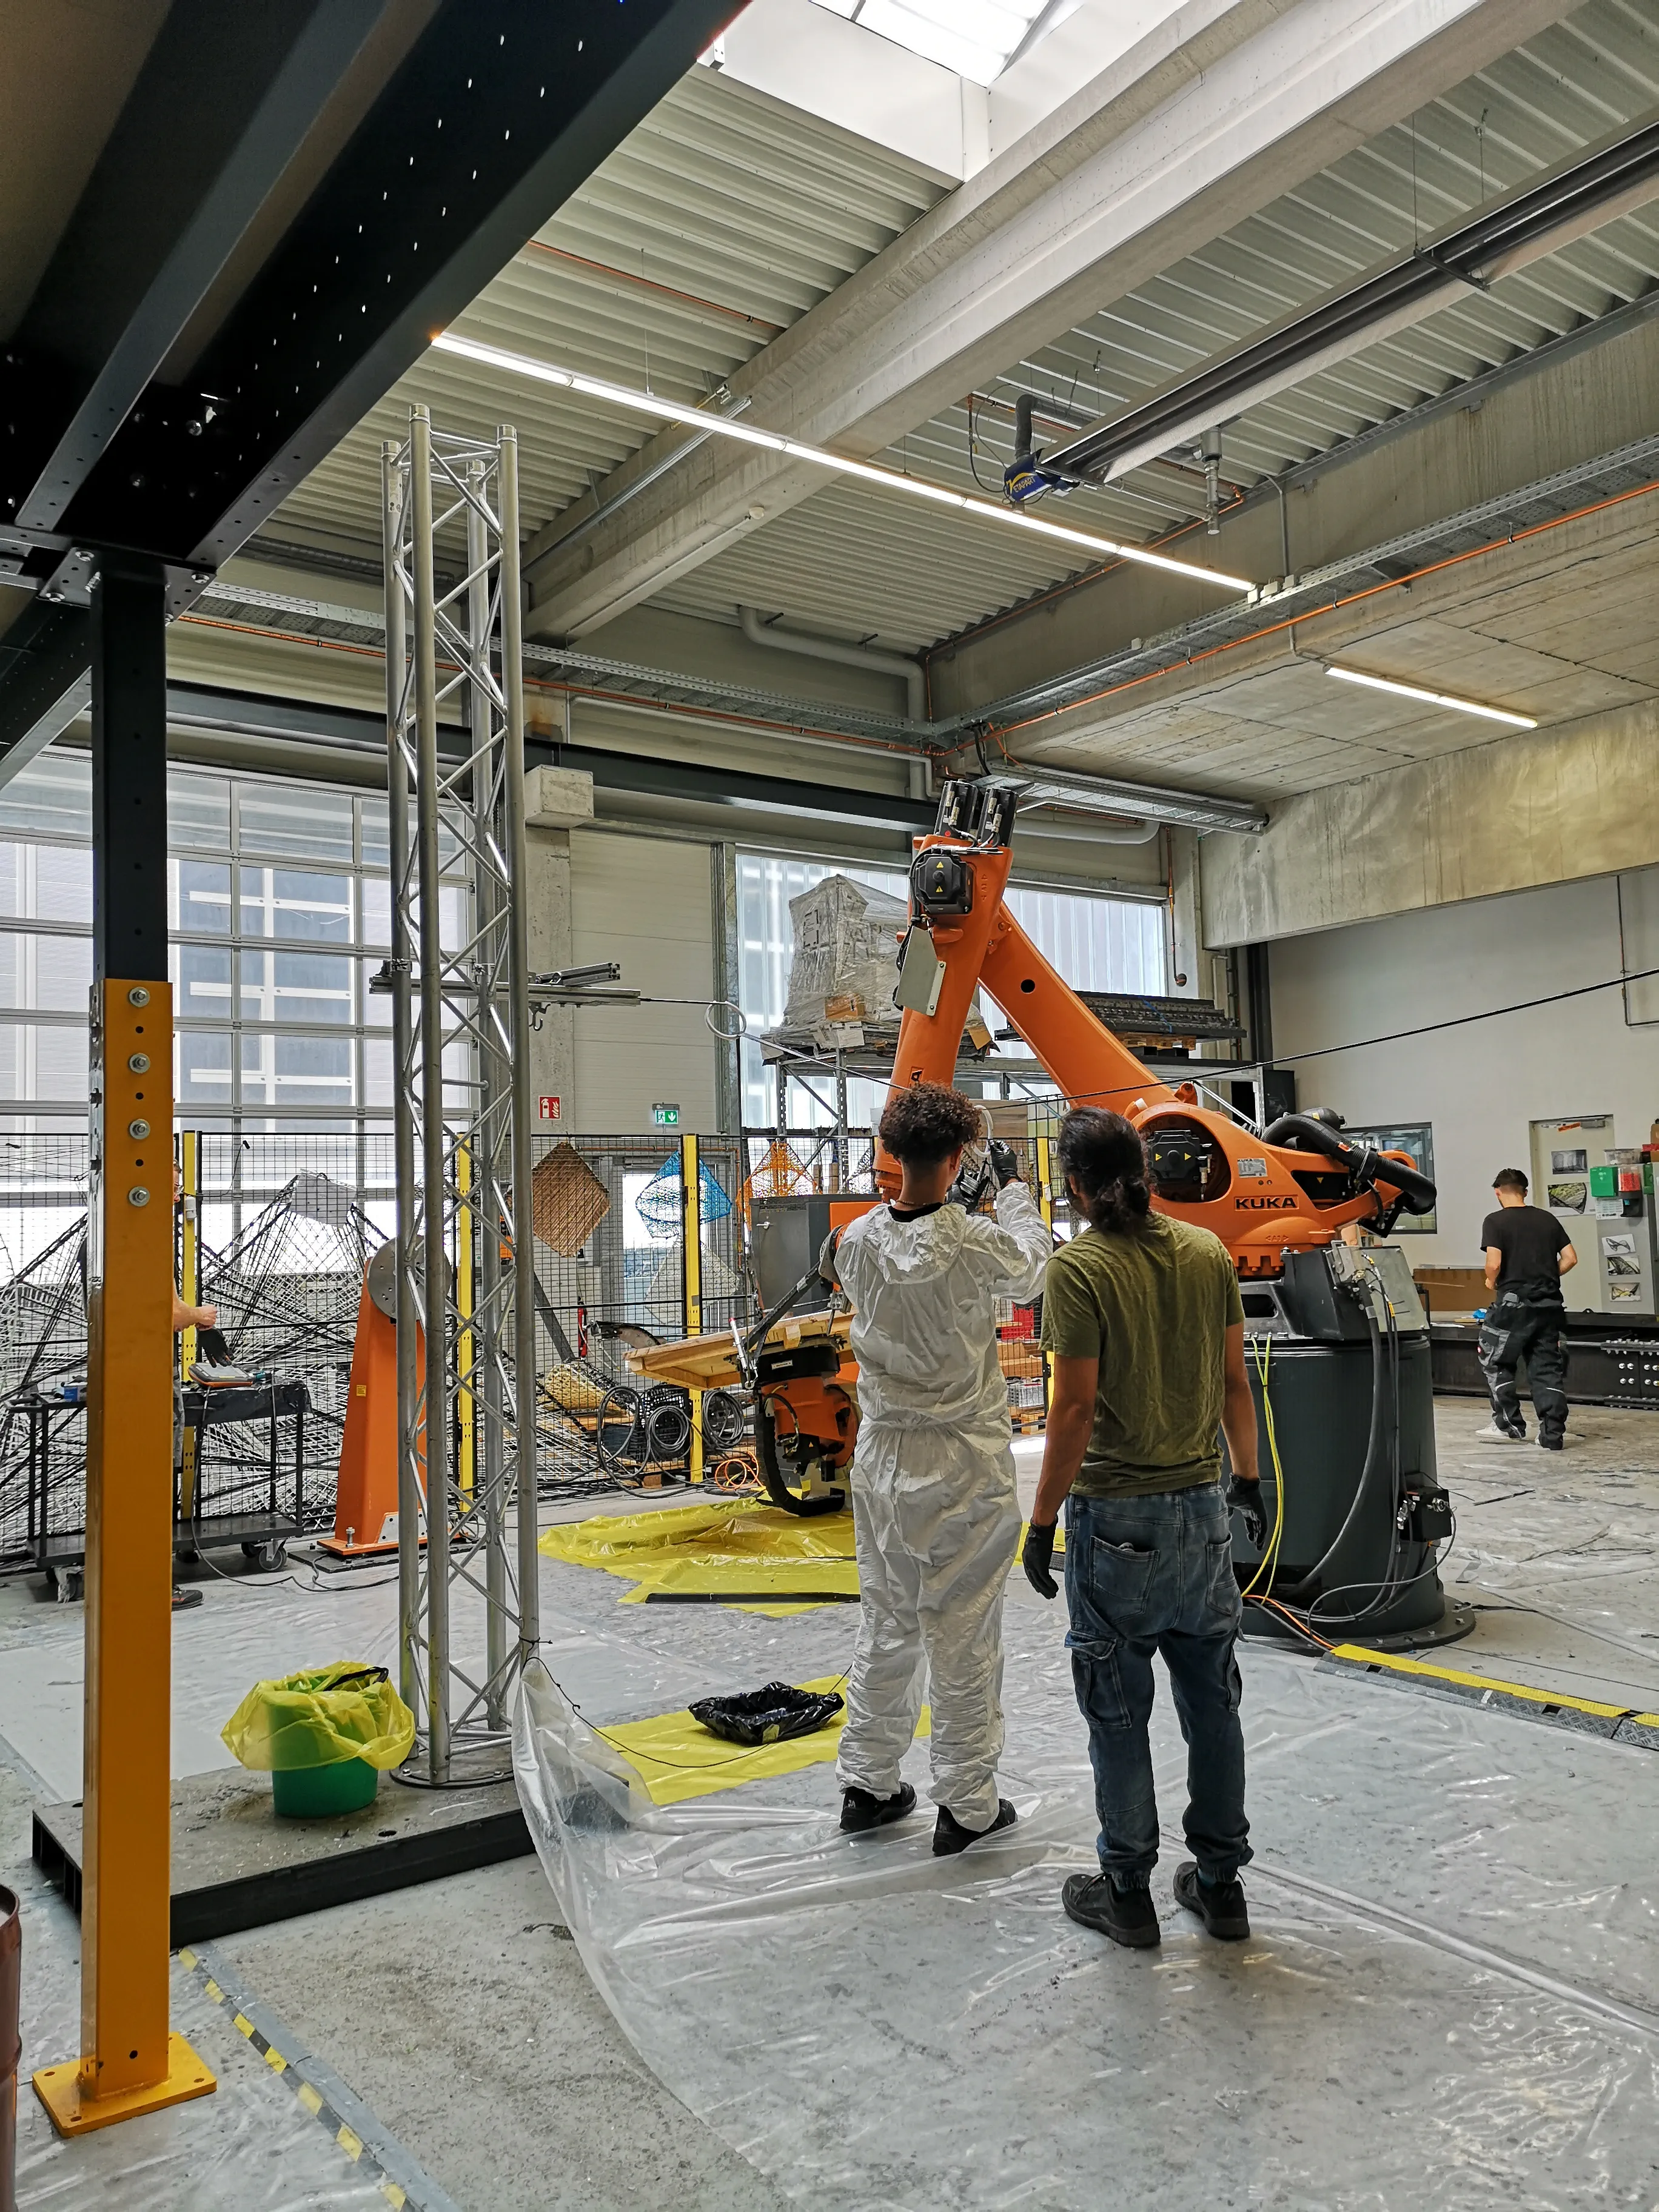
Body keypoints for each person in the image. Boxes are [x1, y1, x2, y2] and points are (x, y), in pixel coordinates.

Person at [1023, 1107, 1262, 1950]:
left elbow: (1076, 1407)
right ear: (1147, 1174)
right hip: (1203, 1513)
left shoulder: (1078, 1270)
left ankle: (1127, 1890)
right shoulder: (1207, 1253)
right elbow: (1237, 1383)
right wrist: (1251, 1479)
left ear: (1076, 1186)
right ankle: (1222, 1886)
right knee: (1214, 1704)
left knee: (1118, 1711)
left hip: (1116, 1520)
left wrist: (1043, 1518)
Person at [830, 1081, 1051, 1854]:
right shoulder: (972, 1239)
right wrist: (1014, 1191)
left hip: (883, 1456)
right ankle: (968, 1804)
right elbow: (1032, 1267)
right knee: (962, 1630)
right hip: (961, 1457)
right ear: (959, 1160)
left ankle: (868, 1783)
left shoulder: (855, 1242)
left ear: (893, 1156)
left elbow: (883, 1267)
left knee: (888, 1620)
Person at [1477, 1167, 1575, 1450]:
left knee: (1495, 1360)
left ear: (1497, 1192)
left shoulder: (1495, 1221)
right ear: (1526, 1192)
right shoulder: (1547, 1219)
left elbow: (1494, 1263)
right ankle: (1552, 1436)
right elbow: (1570, 1258)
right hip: (1549, 1306)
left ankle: (1510, 1426)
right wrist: (1547, 1276)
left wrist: (1491, 1281)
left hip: (1513, 1306)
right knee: (1546, 1368)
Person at [172, 1165, 217, 1611]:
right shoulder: (142, 1242)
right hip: (147, 1383)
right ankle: (153, 1584)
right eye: (173, 1171)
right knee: (154, 1480)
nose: (180, 1183)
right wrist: (197, 1316)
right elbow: (162, 1315)